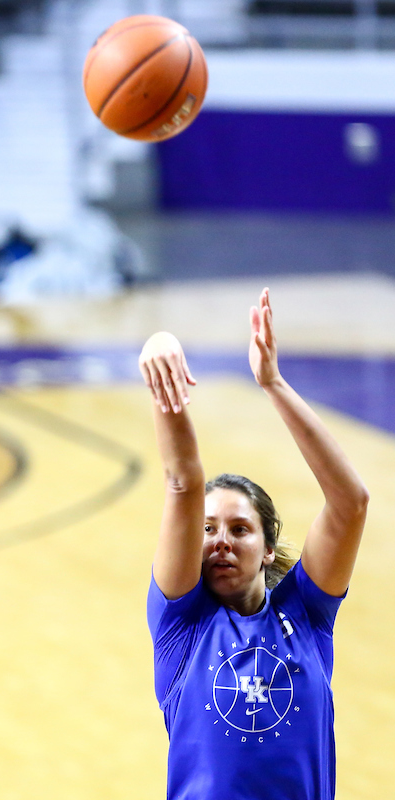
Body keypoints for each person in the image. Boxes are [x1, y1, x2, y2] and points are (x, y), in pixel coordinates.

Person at [139, 288, 368, 800]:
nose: (220, 541)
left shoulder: (307, 614)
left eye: (239, 529)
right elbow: (182, 481)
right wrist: (158, 344)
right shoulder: (181, 623)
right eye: (207, 528)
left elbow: (350, 502)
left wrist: (273, 384)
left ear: (268, 548)